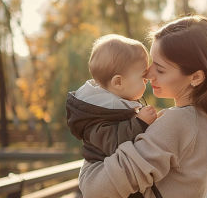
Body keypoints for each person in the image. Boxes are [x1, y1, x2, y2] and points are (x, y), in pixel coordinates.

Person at [78, 15, 207, 198]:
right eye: (151, 62)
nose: (148, 73)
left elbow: (94, 190)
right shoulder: (203, 120)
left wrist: (94, 141)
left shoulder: (179, 121)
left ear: (196, 77)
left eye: (160, 69)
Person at [66, 34, 158, 198]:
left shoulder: (112, 105)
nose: (147, 81)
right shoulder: (98, 114)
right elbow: (113, 142)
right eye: (142, 77)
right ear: (118, 82)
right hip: (108, 183)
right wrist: (140, 122)